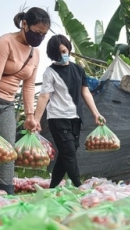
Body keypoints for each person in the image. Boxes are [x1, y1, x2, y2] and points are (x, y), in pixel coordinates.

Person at [0, 7, 51, 195]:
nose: (39, 38)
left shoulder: (35, 54)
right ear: (25, 24)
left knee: (8, 150)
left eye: (43, 35)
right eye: (37, 33)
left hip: (8, 103)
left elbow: (28, 86)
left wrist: (30, 116)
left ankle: (7, 191)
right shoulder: (5, 43)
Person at [34, 34, 105, 188]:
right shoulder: (50, 72)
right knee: (69, 153)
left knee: (67, 153)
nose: (62, 56)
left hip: (75, 118)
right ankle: (79, 186)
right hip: (57, 118)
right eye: (57, 54)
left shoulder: (78, 70)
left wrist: (96, 113)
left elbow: (85, 92)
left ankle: (52, 188)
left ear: (69, 49)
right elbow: (44, 96)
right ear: (52, 56)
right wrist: (36, 119)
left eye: (64, 51)